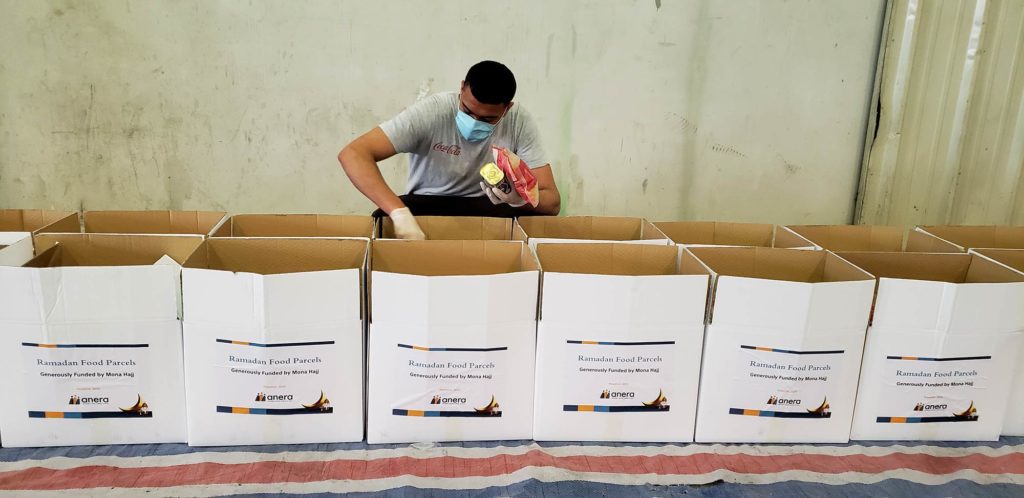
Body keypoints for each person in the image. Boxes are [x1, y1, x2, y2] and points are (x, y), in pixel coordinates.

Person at [338, 60, 561, 239]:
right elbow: (354, 154)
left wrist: (520, 199)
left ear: (507, 108)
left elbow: (552, 202)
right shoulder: (433, 112)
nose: (474, 122)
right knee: (382, 218)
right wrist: (398, 213)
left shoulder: (518, 120)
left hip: (487, 207)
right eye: (467, 111)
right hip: (428, 204)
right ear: (462, 87)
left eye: (488, 119)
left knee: (535, 222)